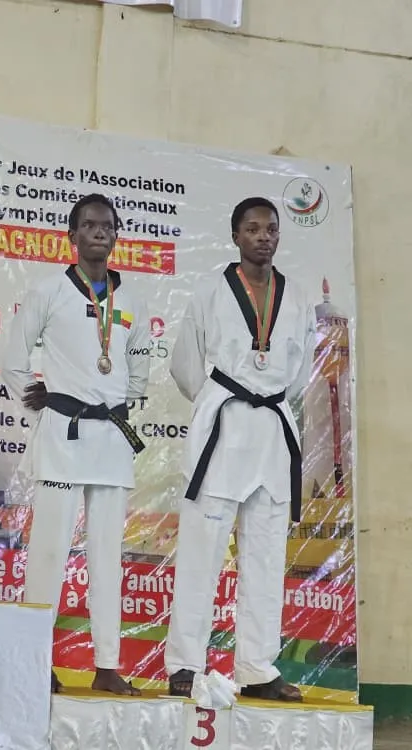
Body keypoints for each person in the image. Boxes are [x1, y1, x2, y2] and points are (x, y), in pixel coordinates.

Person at [164, 197, 316, 702]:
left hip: (271, 430)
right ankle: (185, 664)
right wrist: (217, 399)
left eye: (271, 229)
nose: (263, 237)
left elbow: (298, 369)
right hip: (224, 428)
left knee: (267, 556)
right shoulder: (209, 290)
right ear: (235, 236)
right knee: (201, 553)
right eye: (252, 229)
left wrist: (264, 395)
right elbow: (186, 364)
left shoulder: (297, 297)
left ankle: (256, 668)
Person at [2, 194, 150, 695]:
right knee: (49, 554)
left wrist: (123, 404)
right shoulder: (48, 292)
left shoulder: (132, 301)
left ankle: (107, 665)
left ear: (116, 235)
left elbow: (139, 367)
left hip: (111, 439)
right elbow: (14, 361)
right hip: (63, 436)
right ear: (72, 235)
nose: (99, 232)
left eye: (107, 225)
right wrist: (41, 406)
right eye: (89, 225)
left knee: (107, 556)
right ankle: (33, 661)